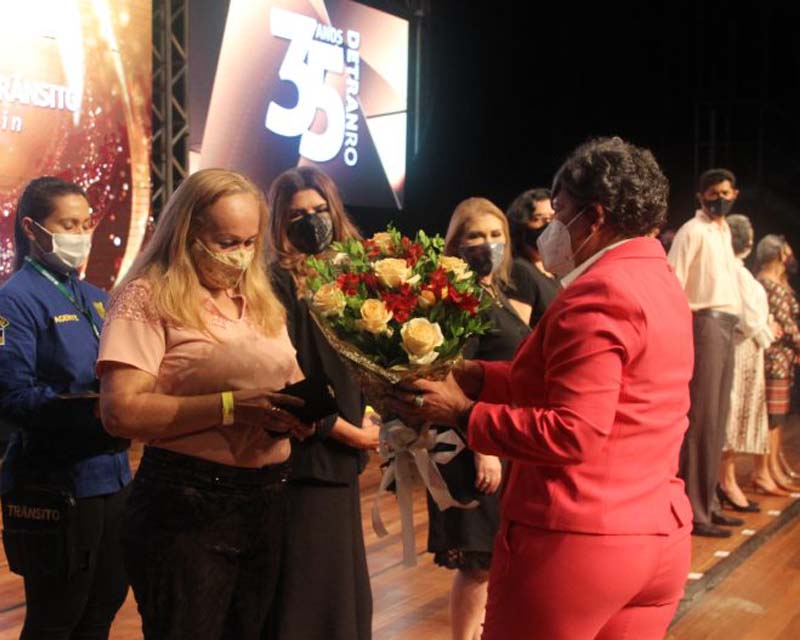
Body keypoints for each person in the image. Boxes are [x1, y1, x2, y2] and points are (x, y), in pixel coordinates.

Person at [389, 137, 694, 639]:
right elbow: (562, 382)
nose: (551, 227)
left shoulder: (599, 292)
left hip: (579, 542)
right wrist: (475, 375)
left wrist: (462, 413)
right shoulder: (658, 278)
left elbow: (574, 431)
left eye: (560, 211)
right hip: (657, 535)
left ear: (593, 217)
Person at [97, 169, 312, 640]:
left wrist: (306, 416)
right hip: (187, 506)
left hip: (268, 498)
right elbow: (121, 413)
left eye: (250, 241)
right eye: (226, 241)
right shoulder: (147, 297)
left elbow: (293, 381)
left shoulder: (258, 299)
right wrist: (234, 407)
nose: (241, 255)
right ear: (187, 233)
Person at [0, 177, 132, 639]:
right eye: (68, 224)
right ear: (31, 228)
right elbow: (9, 397)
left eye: (86, 223)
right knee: (56, 617)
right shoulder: (12, 304)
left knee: (103, 606)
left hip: (114, 478)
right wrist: (94, 408)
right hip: (55, 484)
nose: (81, 234)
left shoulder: (97, 299)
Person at [266, 166, 377, 640]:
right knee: (309, 596)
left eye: (318, 211)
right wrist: (349, 432)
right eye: (297, 215)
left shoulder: (351, 275)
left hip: (344, 462)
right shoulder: (275, 282)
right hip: (306, 458)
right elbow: (286, 380)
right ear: (279, 223)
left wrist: (373, 411)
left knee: (342, 592)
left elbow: (365, 363)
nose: (311, 222)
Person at [434, 197, 529, 640]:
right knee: (477, 564)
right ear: (456, 243)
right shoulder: (459, 299)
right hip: (478, 444)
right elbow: (455, 379)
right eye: (475, 236)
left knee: (491, 561)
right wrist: (483, 448)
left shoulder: (497, 293)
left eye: (496, 236)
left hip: (502, 439)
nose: (487, 245)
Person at [668, 168, 745, 537]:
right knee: (701, 417)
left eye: (727, 192)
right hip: (705, 323)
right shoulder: (692, 231)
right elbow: (674, 283)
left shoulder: (723, 231)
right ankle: (694, 510)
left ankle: (710, 501)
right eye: (714, 193)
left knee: (717, 418)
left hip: (726, 323)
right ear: (701, 196)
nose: (721, 198)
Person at [718, 215, 773, 512]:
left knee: (738, 415)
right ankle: (726, 481)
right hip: (739, 350)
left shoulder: (741, 272)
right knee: (731, 412)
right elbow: (749, 318)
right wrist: (768, 331)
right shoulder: (735, 273)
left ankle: (727, 480)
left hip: (749, 349)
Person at [755, 234, 800, 494]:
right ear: (778, 253)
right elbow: (785, 321)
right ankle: (766, 470)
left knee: (779, 417)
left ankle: (775, 465)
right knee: (773, 417)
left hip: (784, 358)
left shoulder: (779, 282)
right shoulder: (768, 283)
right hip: (774, 359)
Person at [505, 188, 560, 327]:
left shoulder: (555, 272)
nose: (548, 225)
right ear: (521, 225)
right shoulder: (521, 271)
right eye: (538, 219)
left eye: (552, 218)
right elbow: (518, 333)